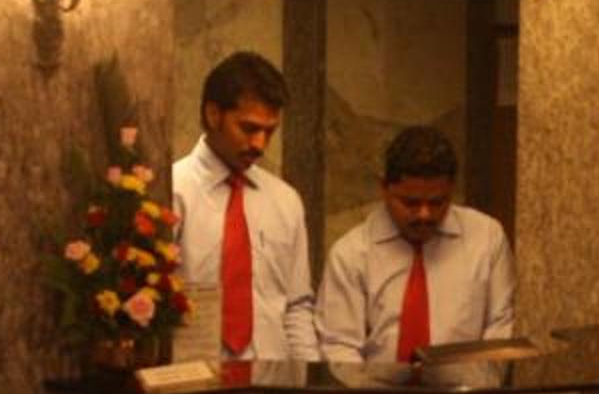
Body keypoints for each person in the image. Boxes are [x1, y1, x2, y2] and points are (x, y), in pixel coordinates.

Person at [317, 126, 516, 362]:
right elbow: (339, 345)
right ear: (384, 189)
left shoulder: (486, 238)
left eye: (437, 202)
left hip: (467, 383)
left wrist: (478, 381)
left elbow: (500, 326)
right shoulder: (351, 254)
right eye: (410, 203)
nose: (424, 214)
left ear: (451, 190)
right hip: (376, 383)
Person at [171, 50, 319, 363]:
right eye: (249, 129)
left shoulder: (285, 201)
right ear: (214, 114)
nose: (260, 144)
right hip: (192, 379)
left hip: (273, 380)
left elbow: (296, 307)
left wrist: (309, 378)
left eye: (270, 131)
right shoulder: (172, 191)